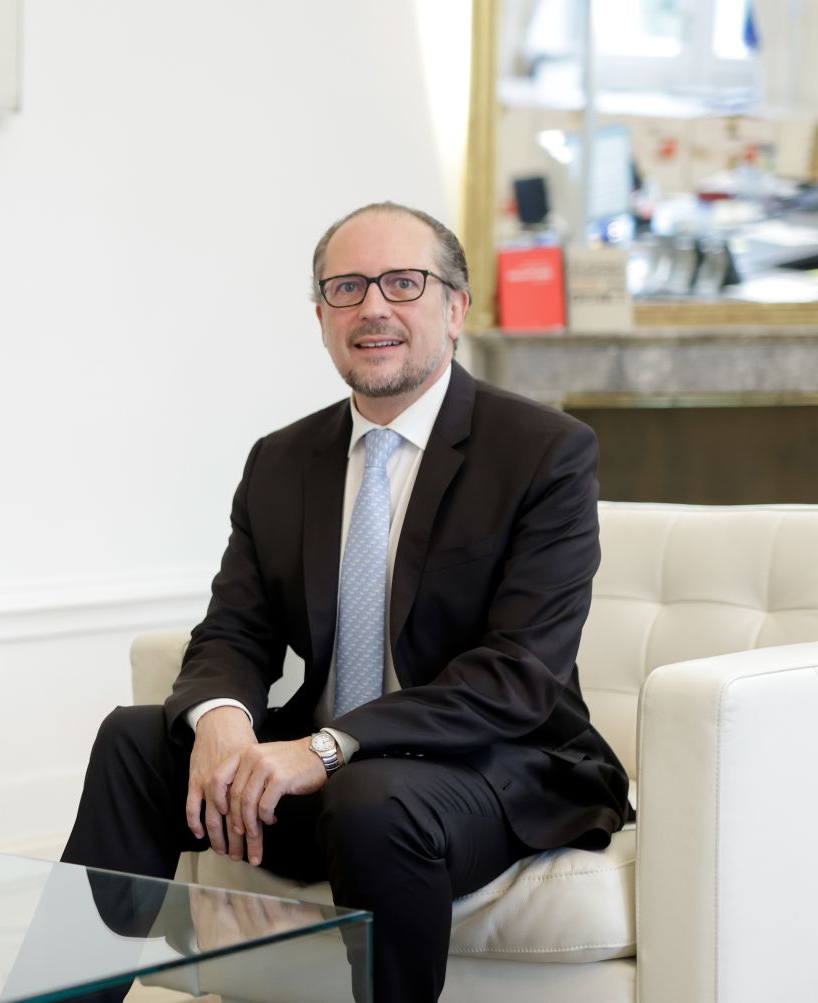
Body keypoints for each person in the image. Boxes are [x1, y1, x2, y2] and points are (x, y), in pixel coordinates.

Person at [61, 202, 630, 1002]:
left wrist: (328, 747)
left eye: (403, 283)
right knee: (134, 739)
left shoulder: (543, 452)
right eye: (346, 288)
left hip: (496, 768)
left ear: (455, 307)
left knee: (371, 796)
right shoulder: (284, 460)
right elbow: (235, 628)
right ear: (323, 316)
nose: (373, 308)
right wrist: (222, 718)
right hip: (325, 777)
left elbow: (520, 675)